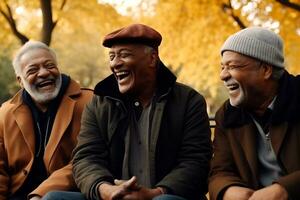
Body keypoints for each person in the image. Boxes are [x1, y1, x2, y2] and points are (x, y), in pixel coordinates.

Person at [44, 24, 212, 200]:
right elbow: (86, 158)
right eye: (112, 57)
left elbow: (196, 162)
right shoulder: (99, 103)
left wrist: (154, 194)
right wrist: (106, 190)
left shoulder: (189, 101)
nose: (115, 63)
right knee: (53, 198)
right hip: (112, 197)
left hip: (167, 196)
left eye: (124, 55)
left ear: (152, 59)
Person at [209, 27, 300, 200]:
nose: (223, 75)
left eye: (233, 66)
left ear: (266, 70)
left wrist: (285, 190)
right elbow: (220, 170)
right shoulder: (227, 114)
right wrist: (229, 190)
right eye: (222, 67)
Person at [0, 41, 93, 200]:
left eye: (50, 66)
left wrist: (40, 195)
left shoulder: (90, 103)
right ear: (20, 81)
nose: (43, 73)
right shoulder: (5, 114)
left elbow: (87, 159)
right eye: (33, 70)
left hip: (67, 194)